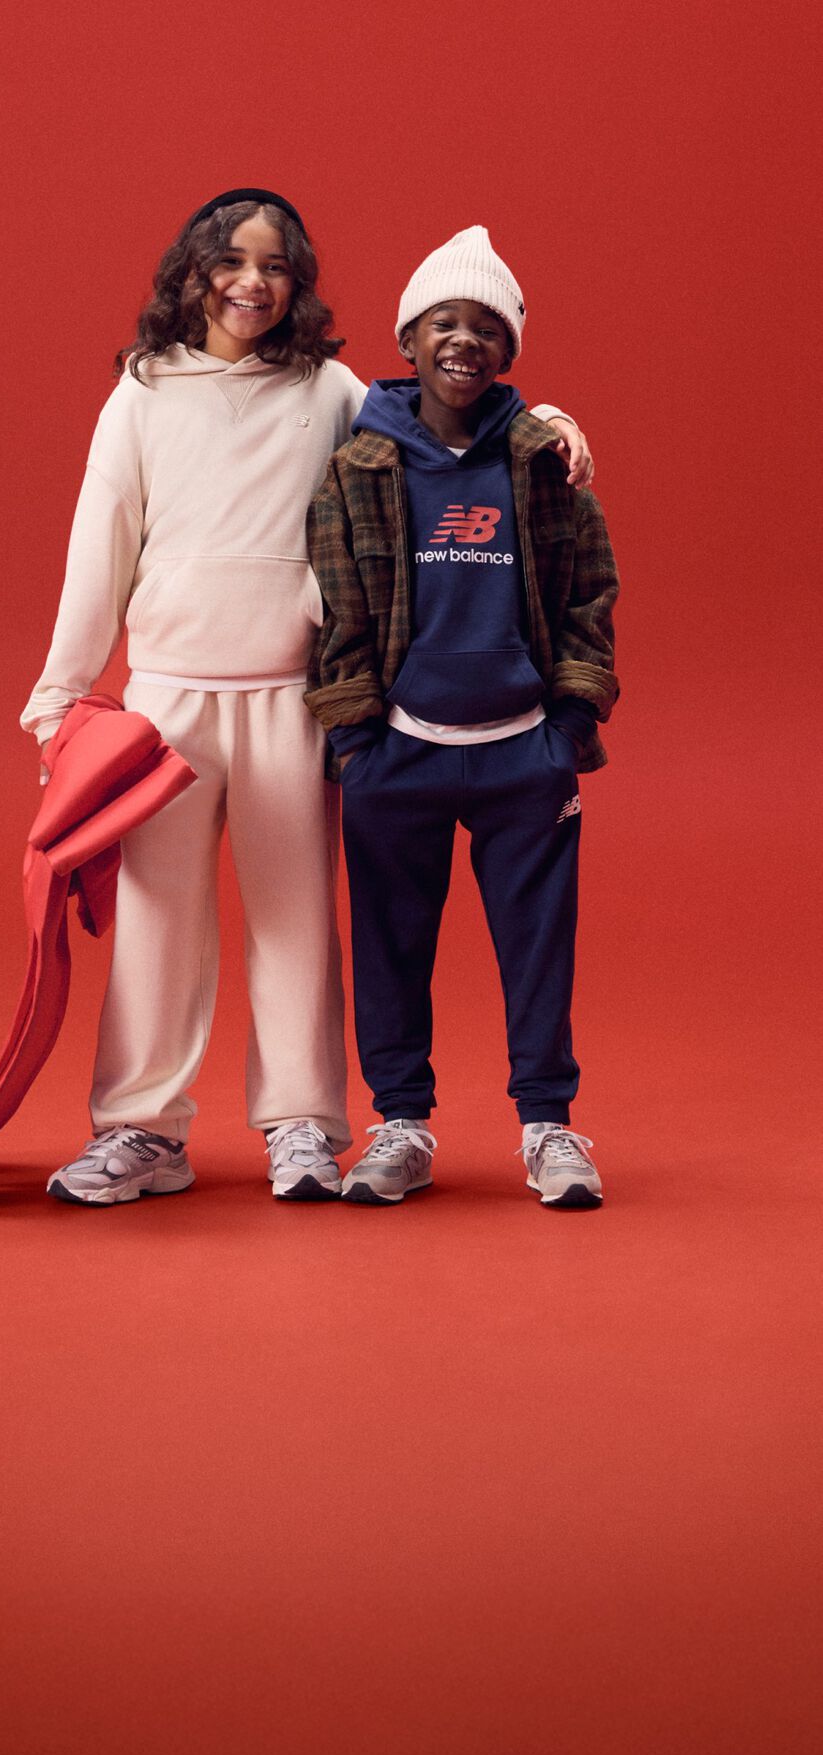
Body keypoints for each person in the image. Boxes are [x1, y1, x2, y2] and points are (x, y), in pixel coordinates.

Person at [21, 195, 593, 1206]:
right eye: (231, 261)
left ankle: (301, 1125)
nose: (253, 282)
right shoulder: (143, 393)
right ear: (191, 270)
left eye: (276, 265)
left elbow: (447, 415)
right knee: (159, 919)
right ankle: (143, 1130)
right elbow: (96, 545)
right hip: (165, 702)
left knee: (296, 920)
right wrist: (62, 699)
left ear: (299, 282)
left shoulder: (328, 389)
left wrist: (546, 418)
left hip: (293, 697)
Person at [305, 227, 619, 1208]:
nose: (463, 342)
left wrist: (567, 725)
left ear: (506, 351)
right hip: (398, 752)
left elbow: (589, 598)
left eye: (486, 327)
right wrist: (356, 741)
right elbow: (338, 607)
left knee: (537, 946)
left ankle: (549, 1130)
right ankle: (398, 1124)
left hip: (521, 753)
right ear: (410, 339)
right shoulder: (360, 467)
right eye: (445, 321)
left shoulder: (542, 465)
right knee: (389, 946)